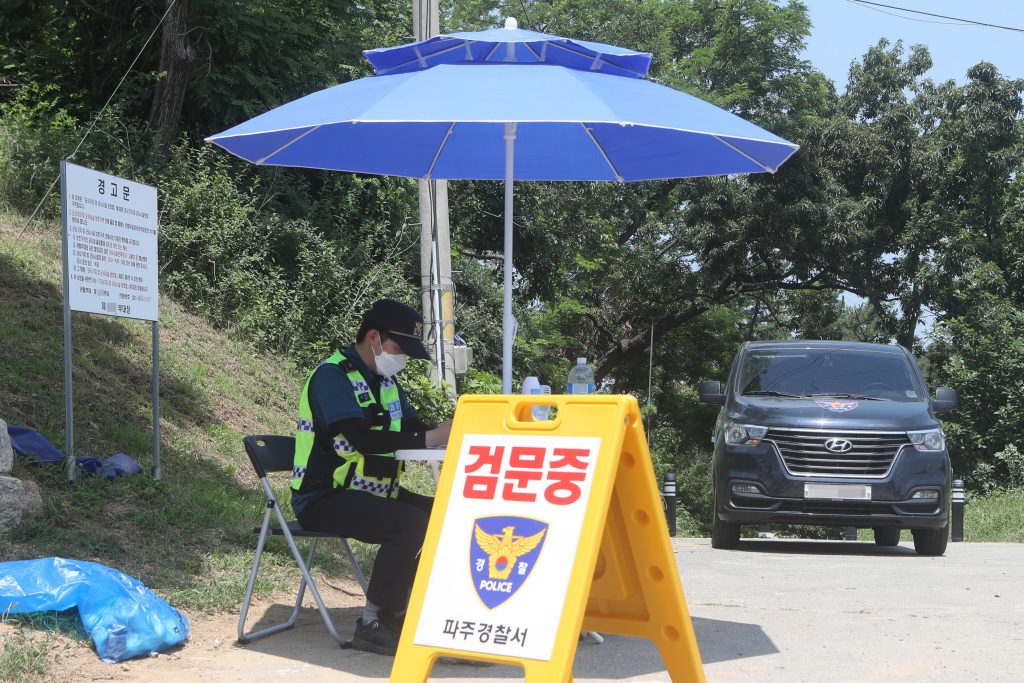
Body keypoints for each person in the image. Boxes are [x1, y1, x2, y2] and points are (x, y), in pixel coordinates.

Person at [290, 299, 452, 656]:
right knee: (409, 523)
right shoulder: (331, 376)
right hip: (323, 496)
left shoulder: (387, 382)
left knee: (447, 514)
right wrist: (431, 437)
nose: (404, 358)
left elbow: (414, 429)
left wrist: (447, 433)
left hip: (373, 492)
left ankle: (403, 607)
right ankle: (374, 621)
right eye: (400, 348)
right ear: (374, 337)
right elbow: (358, 439)